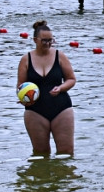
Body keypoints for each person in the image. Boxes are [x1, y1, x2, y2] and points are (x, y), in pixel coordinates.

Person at [16, 20, 76, 156]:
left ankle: (63, 177)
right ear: (35, 40)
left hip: (61, 108)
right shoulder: (26, 59)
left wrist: (60, 88)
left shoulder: (59, 56)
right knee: (40, 154)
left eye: (51, 40)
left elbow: (71, 79)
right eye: (44, 41)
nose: (48, 44)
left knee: (66, 153)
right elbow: (20, 86)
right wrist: (23, 99)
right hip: (35, 110)